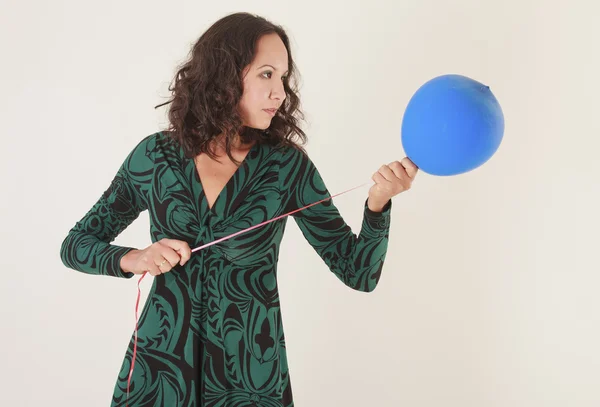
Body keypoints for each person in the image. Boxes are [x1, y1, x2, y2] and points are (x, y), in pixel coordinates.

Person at [60, 11, 418, 407]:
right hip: (160, 375)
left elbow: (359, 272)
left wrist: (378, 204)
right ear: (224, 75)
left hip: (248, 381)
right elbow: (76, 245)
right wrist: (136, 257)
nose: (279, 92)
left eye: (283, 77)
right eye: (267, 74)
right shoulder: (155, 157)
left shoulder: (286, 167)